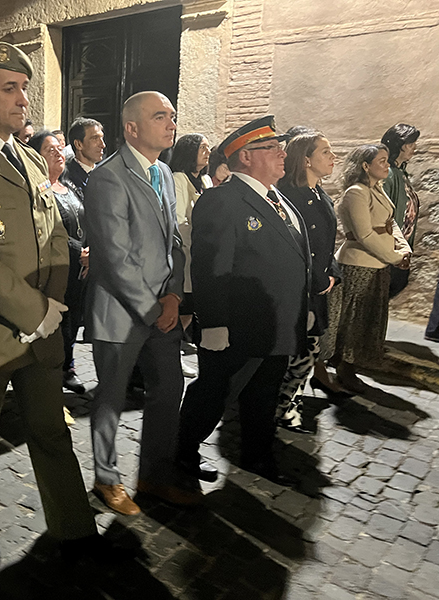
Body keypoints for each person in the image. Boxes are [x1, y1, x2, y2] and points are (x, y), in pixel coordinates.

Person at [0, 40, 106, 571]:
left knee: (50, 430)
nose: (23, 98)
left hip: (42, 326)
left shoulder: (30, 158)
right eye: (10, 88)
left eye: (24, 88)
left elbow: (56, 237)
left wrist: (54, 305)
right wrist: (37, 312)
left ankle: (75, 529)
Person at [176, 115, 309, 488]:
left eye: (280, 147)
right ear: (246, 157)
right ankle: (183, 450)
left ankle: (257, 454)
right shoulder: (222, 200)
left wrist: (305, 310)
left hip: (276, 323)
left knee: (263, 395)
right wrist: (214, 324)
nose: (282, 153)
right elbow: (211, 267)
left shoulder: (277, 198)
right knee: (214, 393)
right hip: (237, 325)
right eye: (272, 148)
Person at [85, 91, 200, 513]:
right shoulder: (107, 177)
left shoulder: (164, 173)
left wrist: (173, 295)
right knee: (111, 399)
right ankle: (106, 479)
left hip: (162, 309)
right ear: (132, 128)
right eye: (159, 117)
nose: (171, 124)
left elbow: (173, 241)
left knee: (168, 390)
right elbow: (114, 257)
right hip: (120, 312)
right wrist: (154, 309)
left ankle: (154, 476)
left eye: (172, 116)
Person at [275, 132, 344, 433]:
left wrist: (332, 272)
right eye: (325, 152)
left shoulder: (320, 194)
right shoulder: (289, 195)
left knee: (309, 349)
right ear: (305, 160)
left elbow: (327, 243)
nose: (333, 157)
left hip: (317, 287)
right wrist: (317, 277)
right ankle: (282, 406)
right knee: (297, 351)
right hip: (297, 290)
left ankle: (289, 402)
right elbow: (292, 247)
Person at [331, 144, 411, 393]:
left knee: (368, 318)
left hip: (378, 263)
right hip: (360, 264)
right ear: (365, 166)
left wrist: (404, 248)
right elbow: (364, 234)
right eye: (381, 161)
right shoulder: (356, 193)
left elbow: (391, 223)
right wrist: (394, 257)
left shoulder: (377, 189)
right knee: (354, 320)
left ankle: (352, 365)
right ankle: (344, 368)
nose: (387, 165)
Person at [27, 131, 88, 395]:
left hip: (80, 267)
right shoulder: (35, 192)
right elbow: (47, 232)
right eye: (49, 150)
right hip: (56, 266)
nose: (58, 154)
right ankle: (52, 371)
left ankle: (68, 366)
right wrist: (78, 250)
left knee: (74, 318)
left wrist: (90, 249)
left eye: (59, 148)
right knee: (58, 321)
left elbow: (85, 222)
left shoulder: (69, 187)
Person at [168, 133, 211, 357]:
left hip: (202, 252)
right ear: (189, 151)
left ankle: (175, 348)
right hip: (187, 252)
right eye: (202, 148)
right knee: (183, 304)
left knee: (191, 306)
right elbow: (179, 220)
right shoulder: (179, 179)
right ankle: (171, 350)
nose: (207, 152)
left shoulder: (206, 180)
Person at [381, 123, 421, 297]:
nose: (414, 148)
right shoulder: (388, 174)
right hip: (391, 249)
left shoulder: (400, 173)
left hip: (401, 247)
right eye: (410, 144)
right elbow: (383, 213)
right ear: (399, 145)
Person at [64, 117, 105, 196]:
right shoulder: (66, 177)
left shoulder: (105, 174)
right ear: (78, 144)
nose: (103, 145)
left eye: (102, 138)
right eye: (95, 138)